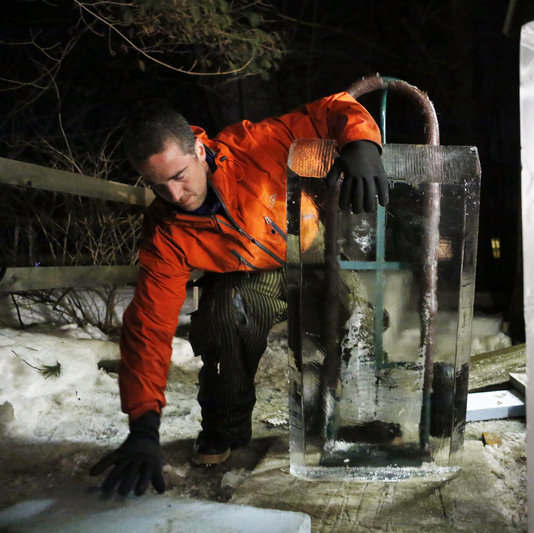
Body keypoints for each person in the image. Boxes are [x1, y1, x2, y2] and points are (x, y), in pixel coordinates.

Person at [89, 91, 388, 497]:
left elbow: (334, 108)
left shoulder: (257, 144)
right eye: (158, 186)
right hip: (243, 273)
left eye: (179, 176)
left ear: (197, 148)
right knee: (223, 317)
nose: (175, 195)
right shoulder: (166, 230)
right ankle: (223, 428)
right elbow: (150, 325)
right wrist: (144, 425)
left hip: (309, 245)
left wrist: (362, 144)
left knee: (358, 317)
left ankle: (350, 412)